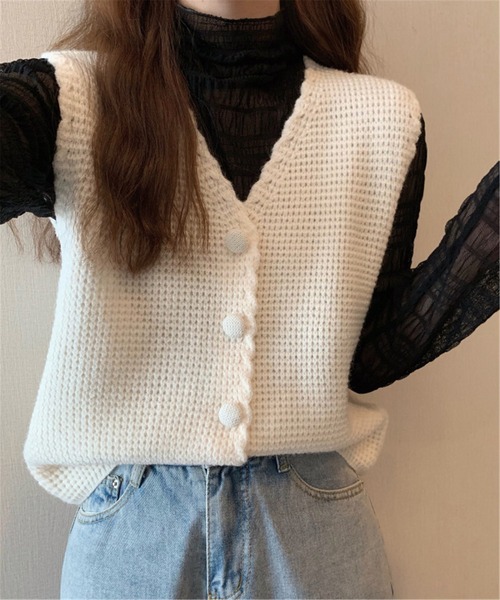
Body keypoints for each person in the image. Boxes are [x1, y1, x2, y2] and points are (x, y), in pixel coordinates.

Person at [0, 0, 498, 598]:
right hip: (135, 539)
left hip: (317, 536)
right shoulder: (71, 100)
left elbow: (367, 353)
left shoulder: (382, 120)